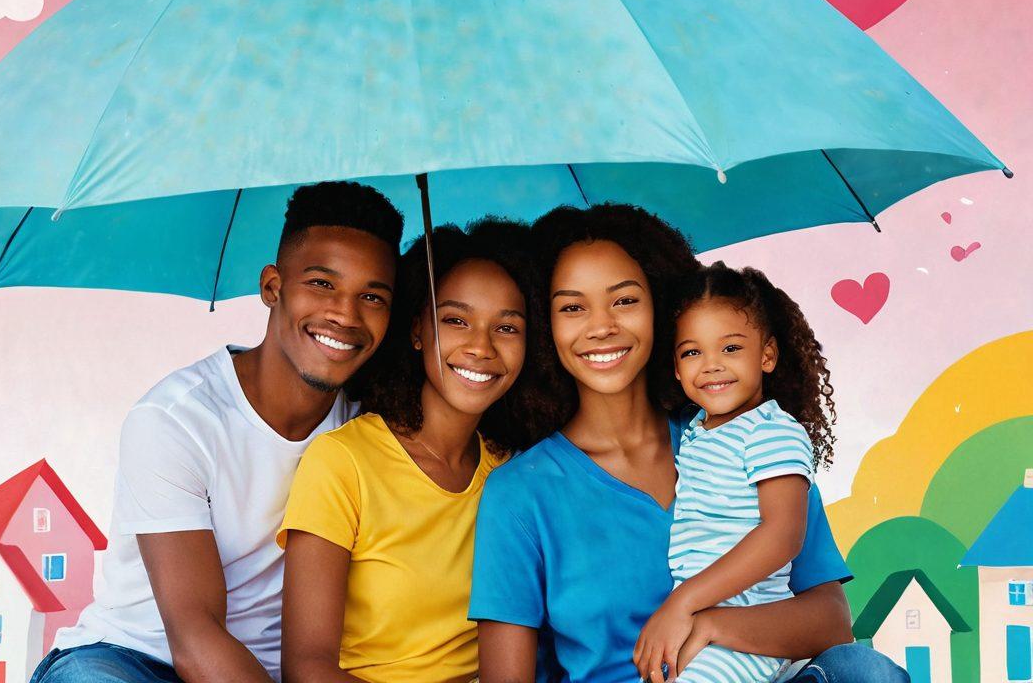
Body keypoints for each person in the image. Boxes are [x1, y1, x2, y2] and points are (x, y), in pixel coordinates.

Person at [470, 203, 909, 683]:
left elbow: (831, 620)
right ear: (544, 325)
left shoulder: (741, 438)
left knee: (864, 671)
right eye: (572, 307)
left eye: (624, 300)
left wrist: (705, 622)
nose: (601, 326)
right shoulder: (519, 494)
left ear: (662, 309)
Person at [30, 181, 404, 683]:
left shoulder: (371, 425)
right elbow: (194, 636)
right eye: (321, 284)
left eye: (373, 297)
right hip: (138, 659)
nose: (345, 313)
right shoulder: (176, 419)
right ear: (273, 287)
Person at [278, 220, 559, 683]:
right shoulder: (342, 462)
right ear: (416, 331)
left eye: (506, 327)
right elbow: (306, 668)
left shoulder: (513, 472)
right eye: (455, 320)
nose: (480, 347)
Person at [634, 263, 838, 681]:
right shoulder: (694, 432)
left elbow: (783, 534)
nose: (711, 365)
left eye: (730, 348)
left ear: (767, 355)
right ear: (675, 367)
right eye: (692, 352)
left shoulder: (772, 431)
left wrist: (682, 603)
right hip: (697, 629)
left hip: (745, 628)